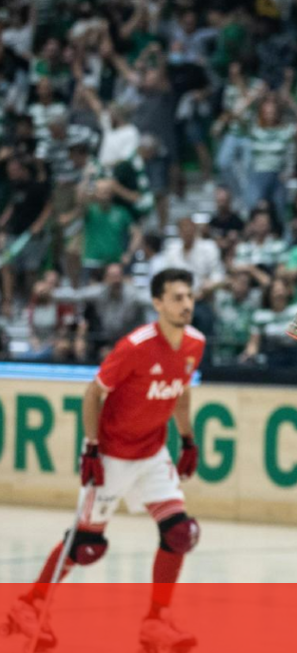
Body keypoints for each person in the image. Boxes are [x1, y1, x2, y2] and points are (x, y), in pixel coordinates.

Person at [4, 269, 205, 650]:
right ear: (158, 303)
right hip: (112, 454)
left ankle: (156, 621)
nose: (186, 304)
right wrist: (92, 447)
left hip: (152, 453)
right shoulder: (136, 346)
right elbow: (93, 394)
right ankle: (29, 605)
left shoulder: (196, 343)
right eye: (177, 297)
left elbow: (181, 391)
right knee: (86, 545)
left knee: (180, 533)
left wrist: (188, 440)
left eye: (189, 296)